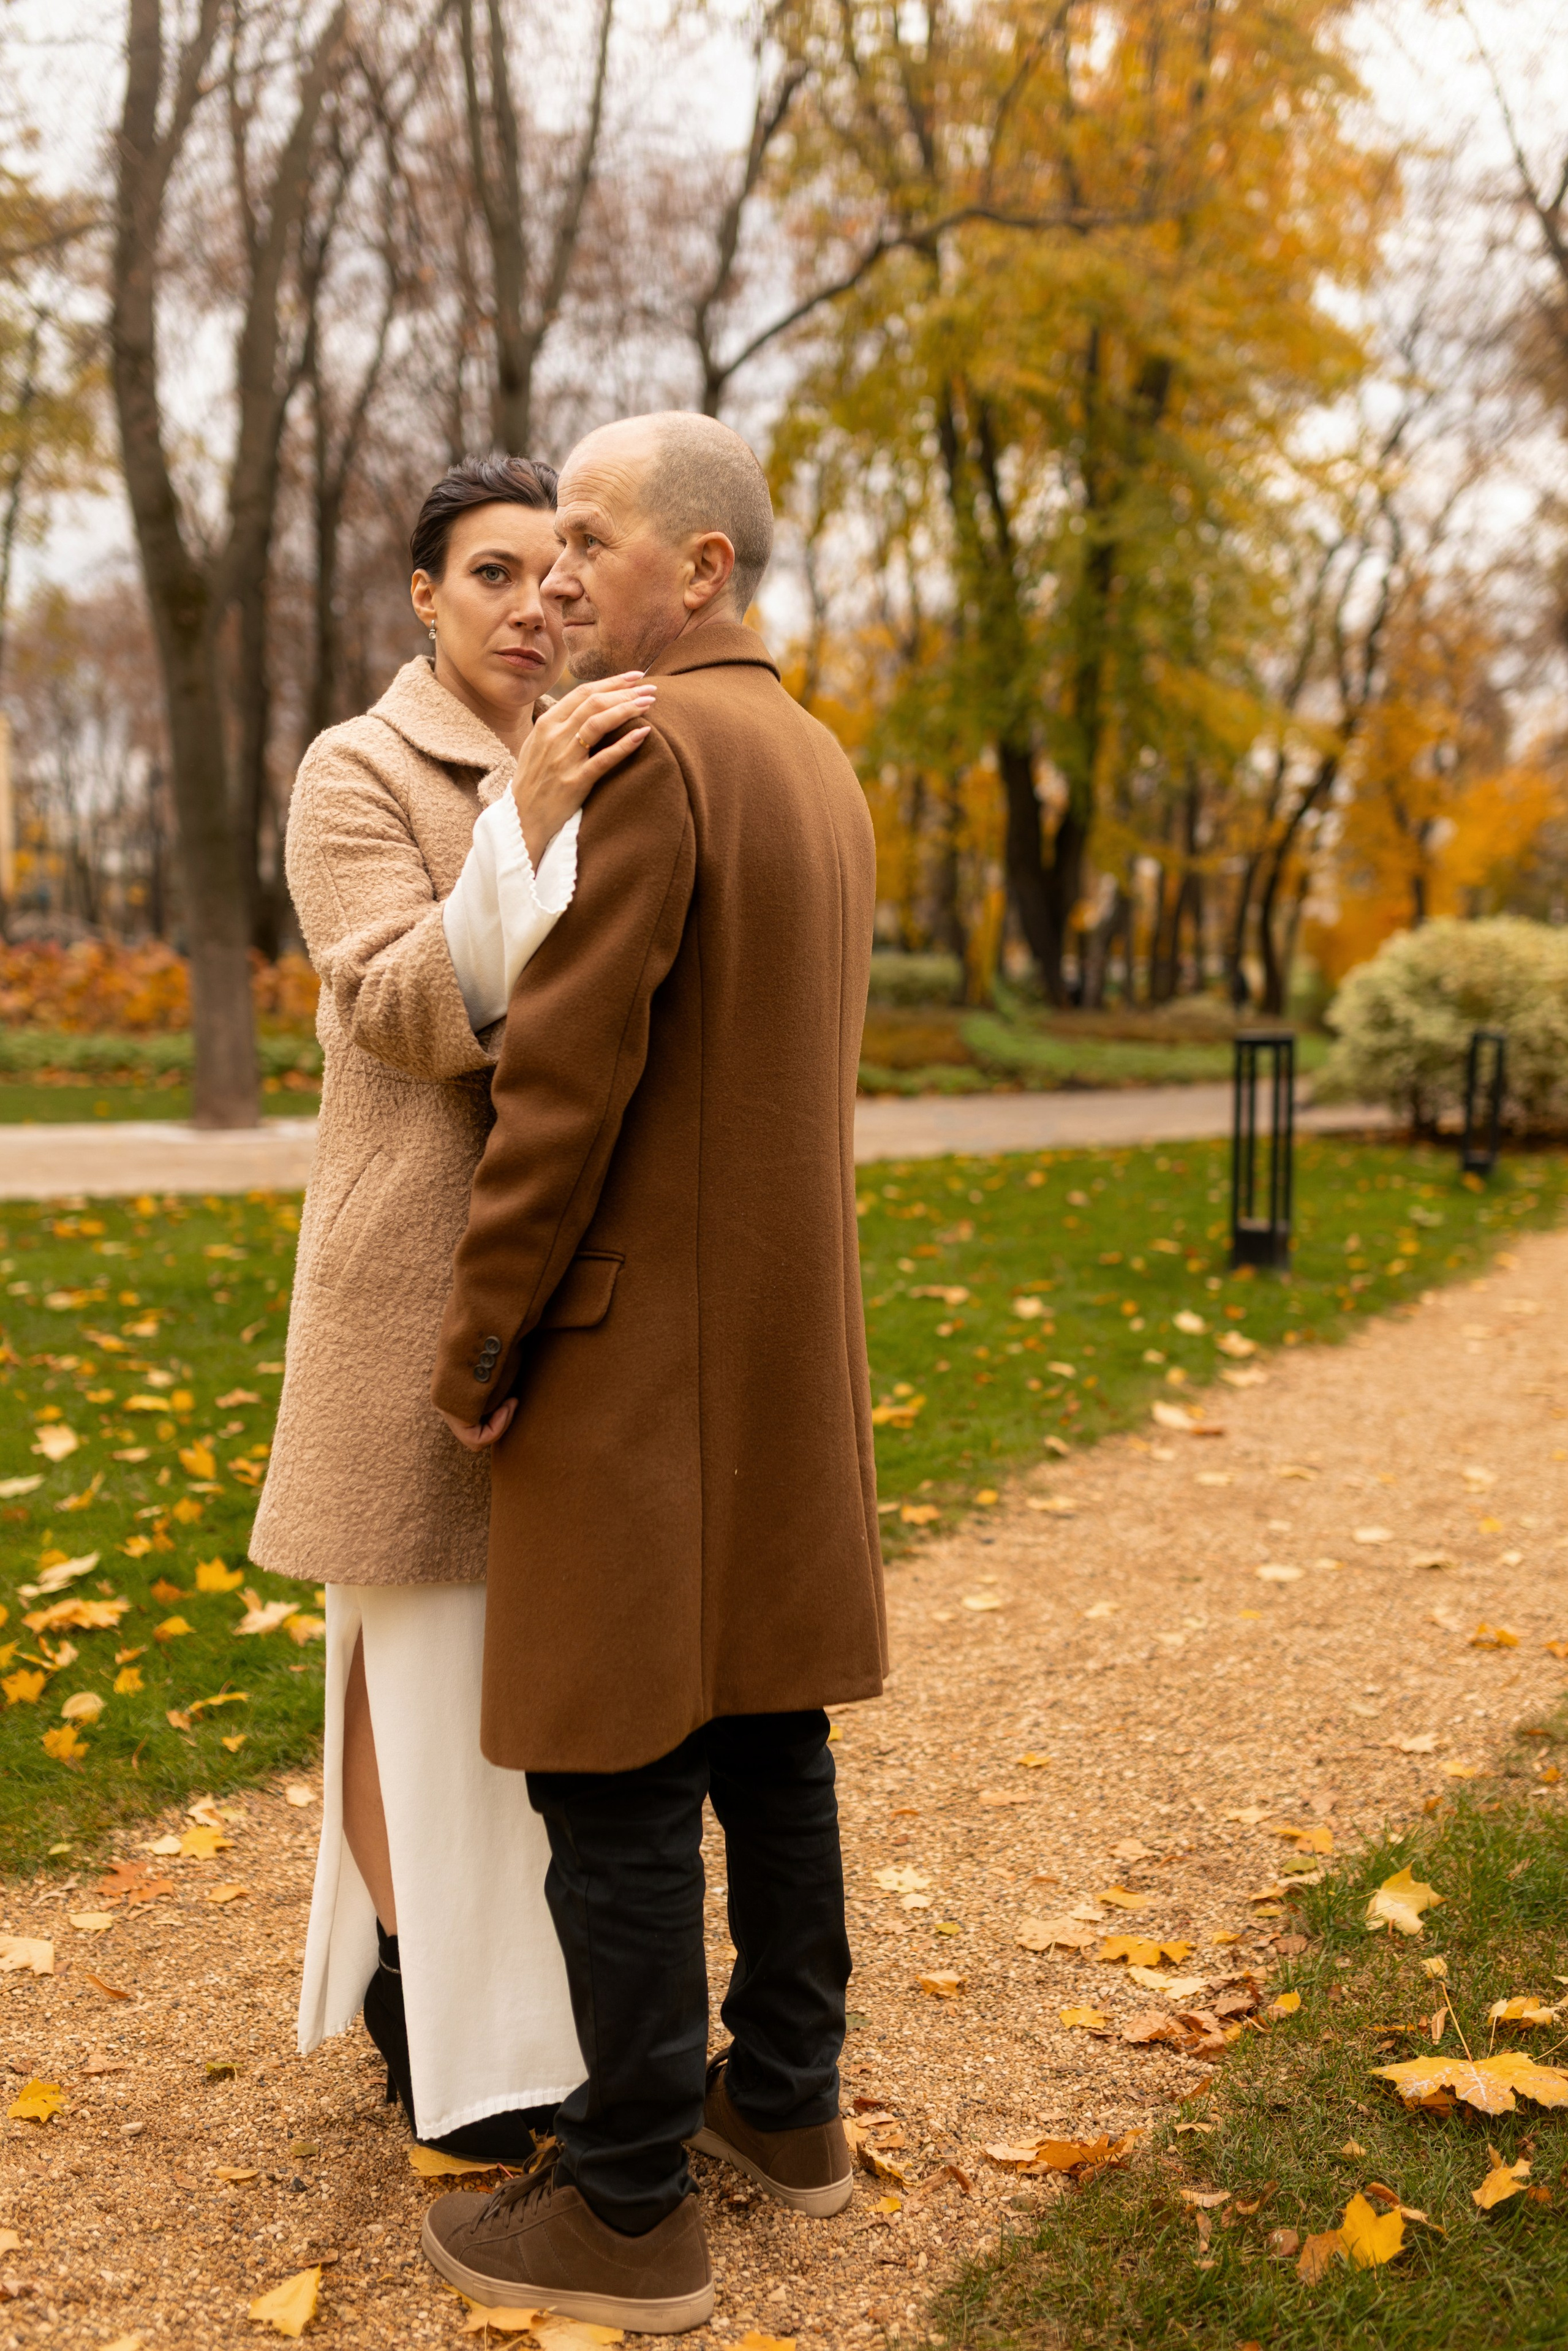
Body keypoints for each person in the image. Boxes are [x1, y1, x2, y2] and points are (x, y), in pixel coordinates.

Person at [417, 413, 887, 2334]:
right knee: (771, 1733)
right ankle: (785, 2110)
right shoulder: (820, 756)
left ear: (701, 568)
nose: (561, 576)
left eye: (597, 541)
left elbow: (562, 1078)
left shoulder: (651, 747)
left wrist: (481, 1340)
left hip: (632, 1348)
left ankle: (627, 2209)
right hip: (779, 1347)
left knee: (609, 1770)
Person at [249, 455, 656, 2156]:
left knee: (538, 1679)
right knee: (407, 1655)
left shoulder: (618, 746)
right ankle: (428, 2008)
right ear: (425, 597)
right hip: (414, 1286)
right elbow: (403, 1013)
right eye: (491, 574)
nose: (530, 603)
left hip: (581, 1287)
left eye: (555, 571)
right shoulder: (355, 772)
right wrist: (526, 825)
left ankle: (545, 2026)